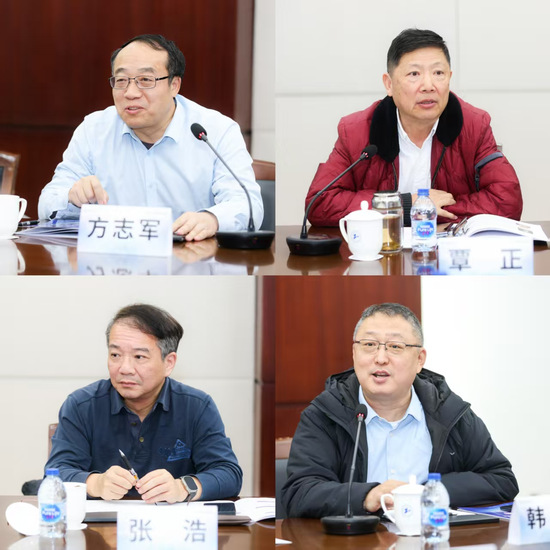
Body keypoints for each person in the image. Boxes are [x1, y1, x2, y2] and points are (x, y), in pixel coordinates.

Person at [281, 303, 519, 518]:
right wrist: (367, 496)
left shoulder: (450, 412)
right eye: (369, 345)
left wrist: (427, 493)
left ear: (419, 359)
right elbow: (299, 493)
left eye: (395, 346)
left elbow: (502, 480)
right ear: (354, 353)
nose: (380, 358)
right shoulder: (325, 414)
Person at [38, 34, 263, 241]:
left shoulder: (216, 131)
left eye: (146, 80)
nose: (130, 93)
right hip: (115, 262)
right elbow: (47, 202)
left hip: (191, 261)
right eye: (121, 80)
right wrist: (71, 197)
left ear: (174, 85)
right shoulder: (94, 130)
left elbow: (247, 204)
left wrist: (212, 219)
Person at [305, 29, 522, 227]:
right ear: (389, 84)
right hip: (383, 253)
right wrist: (406, 205)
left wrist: (426, 211)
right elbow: (319, 203)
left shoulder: (474, 126)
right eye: (414, 74)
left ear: (449, 78)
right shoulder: (356, 131)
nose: (428, 86)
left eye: (438, 73)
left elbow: (507, 200)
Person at [45, 304, 243, 503]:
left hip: (172, 520)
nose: (125, 368)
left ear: (169, 363)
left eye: (139, 357)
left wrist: (182, 487)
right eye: (115, 355)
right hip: (102, 522)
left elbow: (229, 474)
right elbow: (56, 474)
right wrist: (97, 483)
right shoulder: (81, 405)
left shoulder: (197, 406)